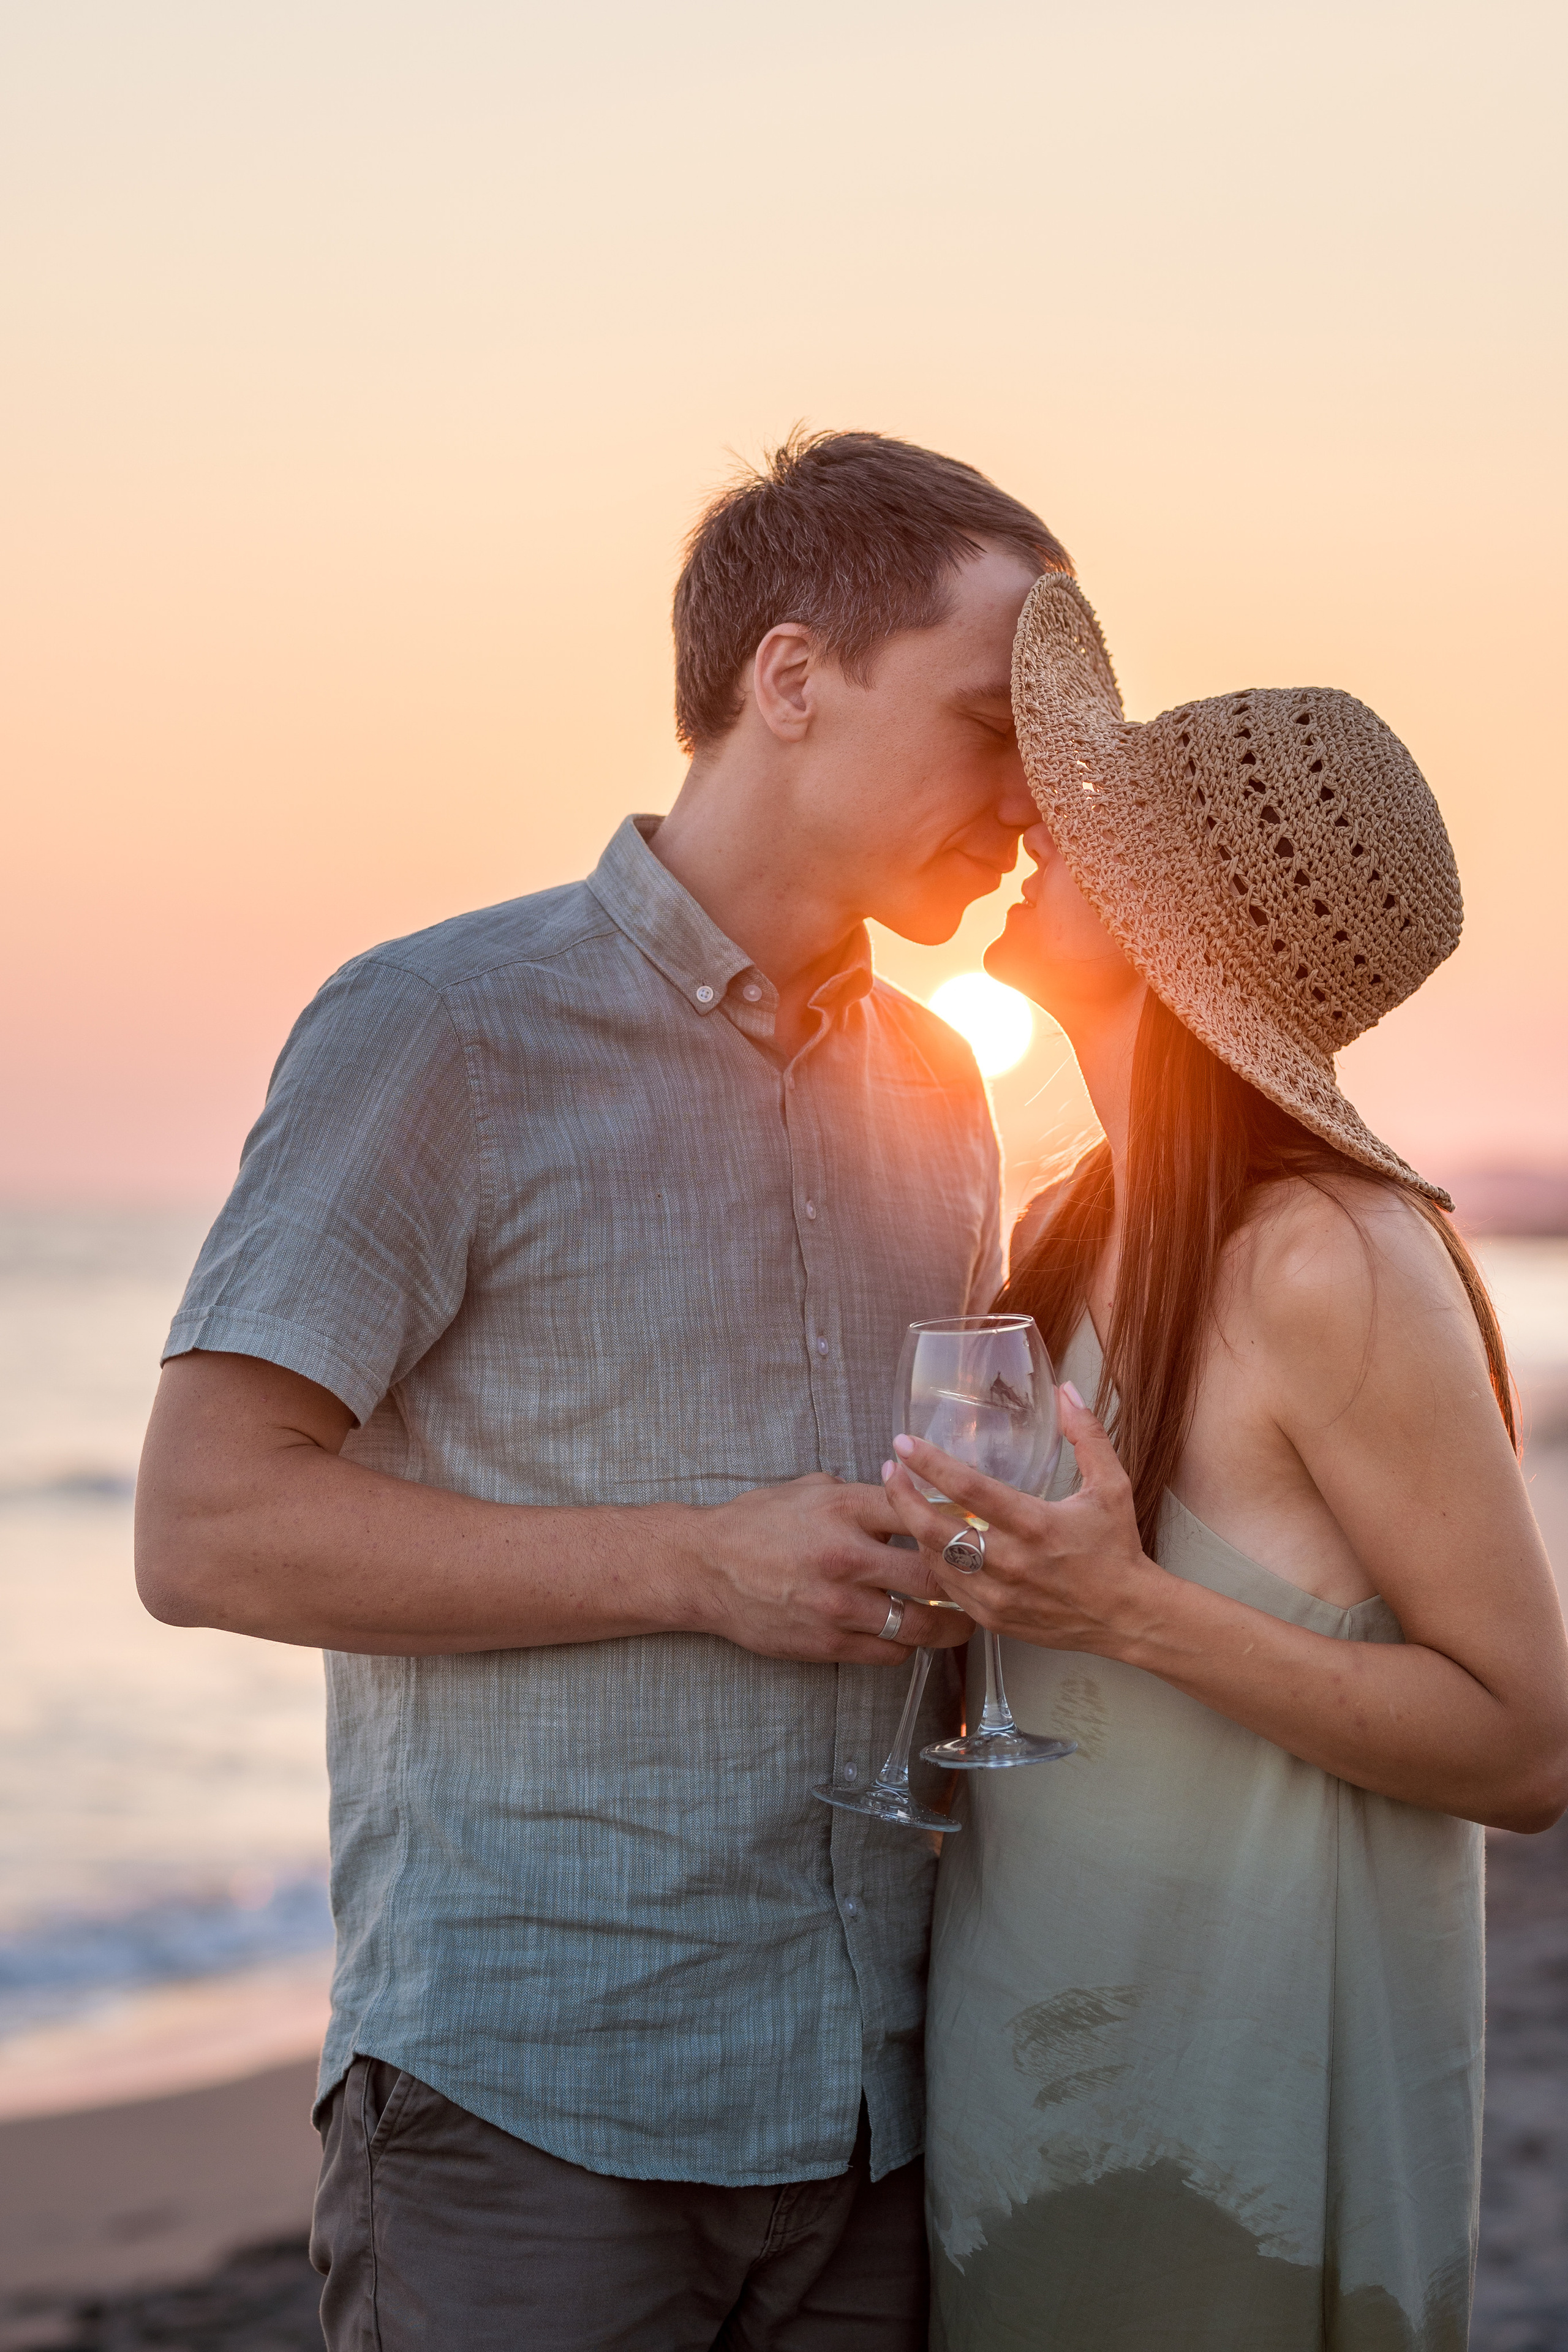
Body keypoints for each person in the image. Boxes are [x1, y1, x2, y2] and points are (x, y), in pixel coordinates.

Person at [134, 429, 1072, 2352]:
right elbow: (205, 1525)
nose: (1038, 799)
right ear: (791, 679)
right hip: (532, 2123)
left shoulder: (945, 1089)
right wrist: (701, 1564)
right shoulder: (441, 1030)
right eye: (994, 723)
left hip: (880, 2127)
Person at [882, 575, 1568, 2351]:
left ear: (1179, 928)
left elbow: (1525, 1740)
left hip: (1223, 2117)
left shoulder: (1329, 1257)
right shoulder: (1070, 1223)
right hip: (1037, 2080)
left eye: (1101, 820)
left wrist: (1123, 1610)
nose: (1039, 821)